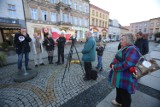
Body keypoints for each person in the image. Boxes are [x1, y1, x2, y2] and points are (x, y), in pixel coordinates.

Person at [108, 34, 141, 107]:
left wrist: (115, 66)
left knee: (125, 95)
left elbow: (127, 64)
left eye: (122, 40)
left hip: (125, 77)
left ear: (128, 41)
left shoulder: (132, 49)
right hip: (120, 76)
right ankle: (118, 101)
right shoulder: (124, 47)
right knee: (119, 89)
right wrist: (113, 63)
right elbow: (117, 58)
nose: (120, 41)